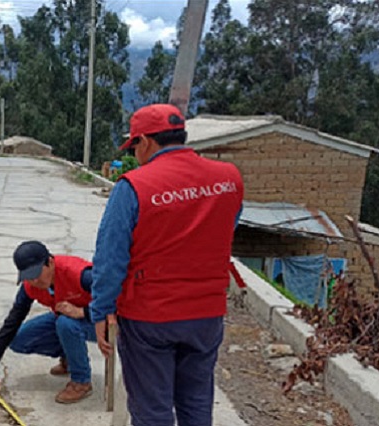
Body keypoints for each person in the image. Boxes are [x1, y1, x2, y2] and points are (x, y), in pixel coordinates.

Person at [90, 103, 244, 426]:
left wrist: (101, 310)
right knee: (197, 403)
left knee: (152, 411)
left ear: (145, 142)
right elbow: (225, 230)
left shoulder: (133, 187)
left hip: (150, 317)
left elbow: (110, 259)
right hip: (207, 315)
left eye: (134, 147)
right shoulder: (229, 179)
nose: (134, 155)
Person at [0, 240, 98, 404]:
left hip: (101, 323)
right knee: (18, 339)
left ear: (50, 262)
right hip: (65, 319)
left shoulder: (81, 274)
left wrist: (83, 312)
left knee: (65, 323)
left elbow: (118, 300)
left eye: (36, 274)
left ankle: (81, 382)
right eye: (28, 277)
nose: (34, 281)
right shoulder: (29, 286)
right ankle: (70, 358)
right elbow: (13, 321)